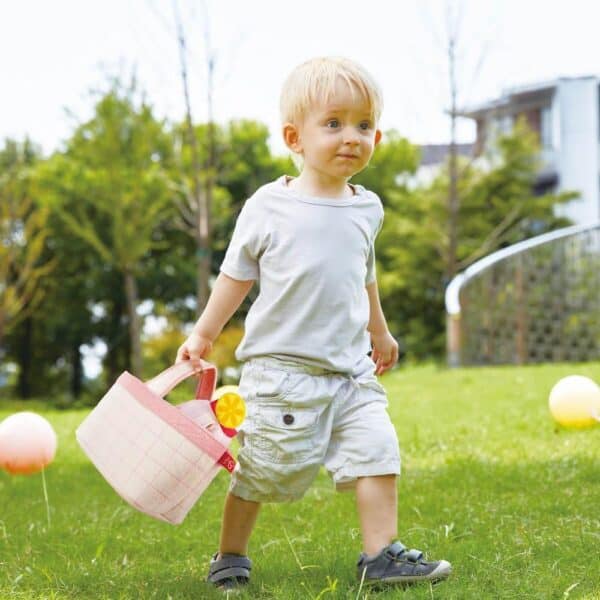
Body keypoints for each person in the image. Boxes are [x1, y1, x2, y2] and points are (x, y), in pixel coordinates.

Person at [176, 56, 452, 590]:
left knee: (378, 451)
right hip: (284, 375)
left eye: (364, 125)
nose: (352, 136)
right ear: (294, 137)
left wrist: (380, 330)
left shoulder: (367, 207)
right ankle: (230, 555)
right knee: (263, 471)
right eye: (334, 123)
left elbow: (362, 273)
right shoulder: (269, 207)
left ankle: (381, 556)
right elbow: (236, 276)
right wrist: (204, 334)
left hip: (350, 372)